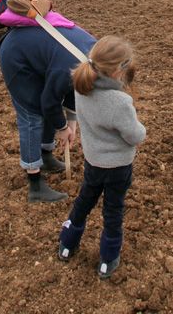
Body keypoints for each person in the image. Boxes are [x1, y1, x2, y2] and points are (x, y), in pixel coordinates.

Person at [57, 37, 146, 280]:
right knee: (113, 210)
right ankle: (108, 258)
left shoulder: (80, 86)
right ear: (120, 69)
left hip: (93, 161)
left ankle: (67, 244)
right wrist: (142, 131)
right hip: (118, 167)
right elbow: (134, 135)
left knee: (85, 200)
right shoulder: (120, 102)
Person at [0, 4, 95, 203]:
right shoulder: (68, 66)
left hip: (40, 57)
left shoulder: (92, 53)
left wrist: (71, 123)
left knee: (51, 104)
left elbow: (72, 88)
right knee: (31, 114)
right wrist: (62, 126)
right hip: (16, 58)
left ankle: (46, 154)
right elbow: (49, 102)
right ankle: (35, 182)